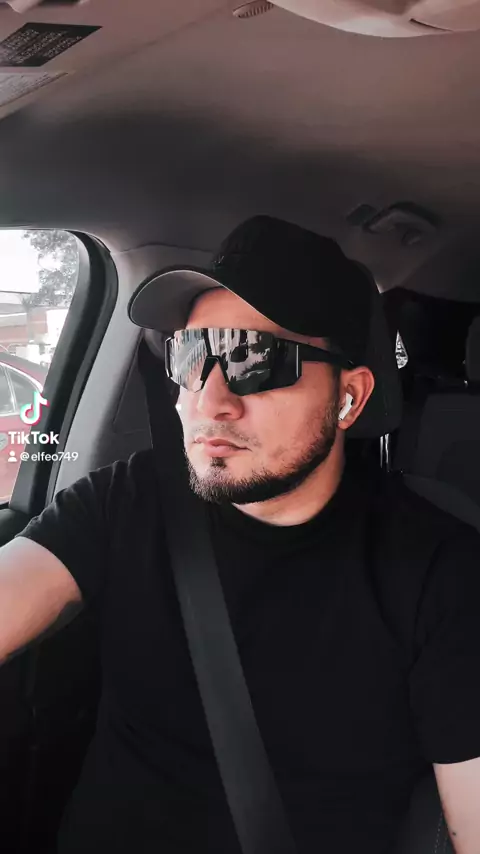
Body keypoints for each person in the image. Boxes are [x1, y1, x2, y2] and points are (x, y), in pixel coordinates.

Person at [0, 215, 479, 854]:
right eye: (190, 355)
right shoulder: (126, 500)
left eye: (256, 358)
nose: (209, 400)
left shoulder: (442, 574)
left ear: (349, 397)